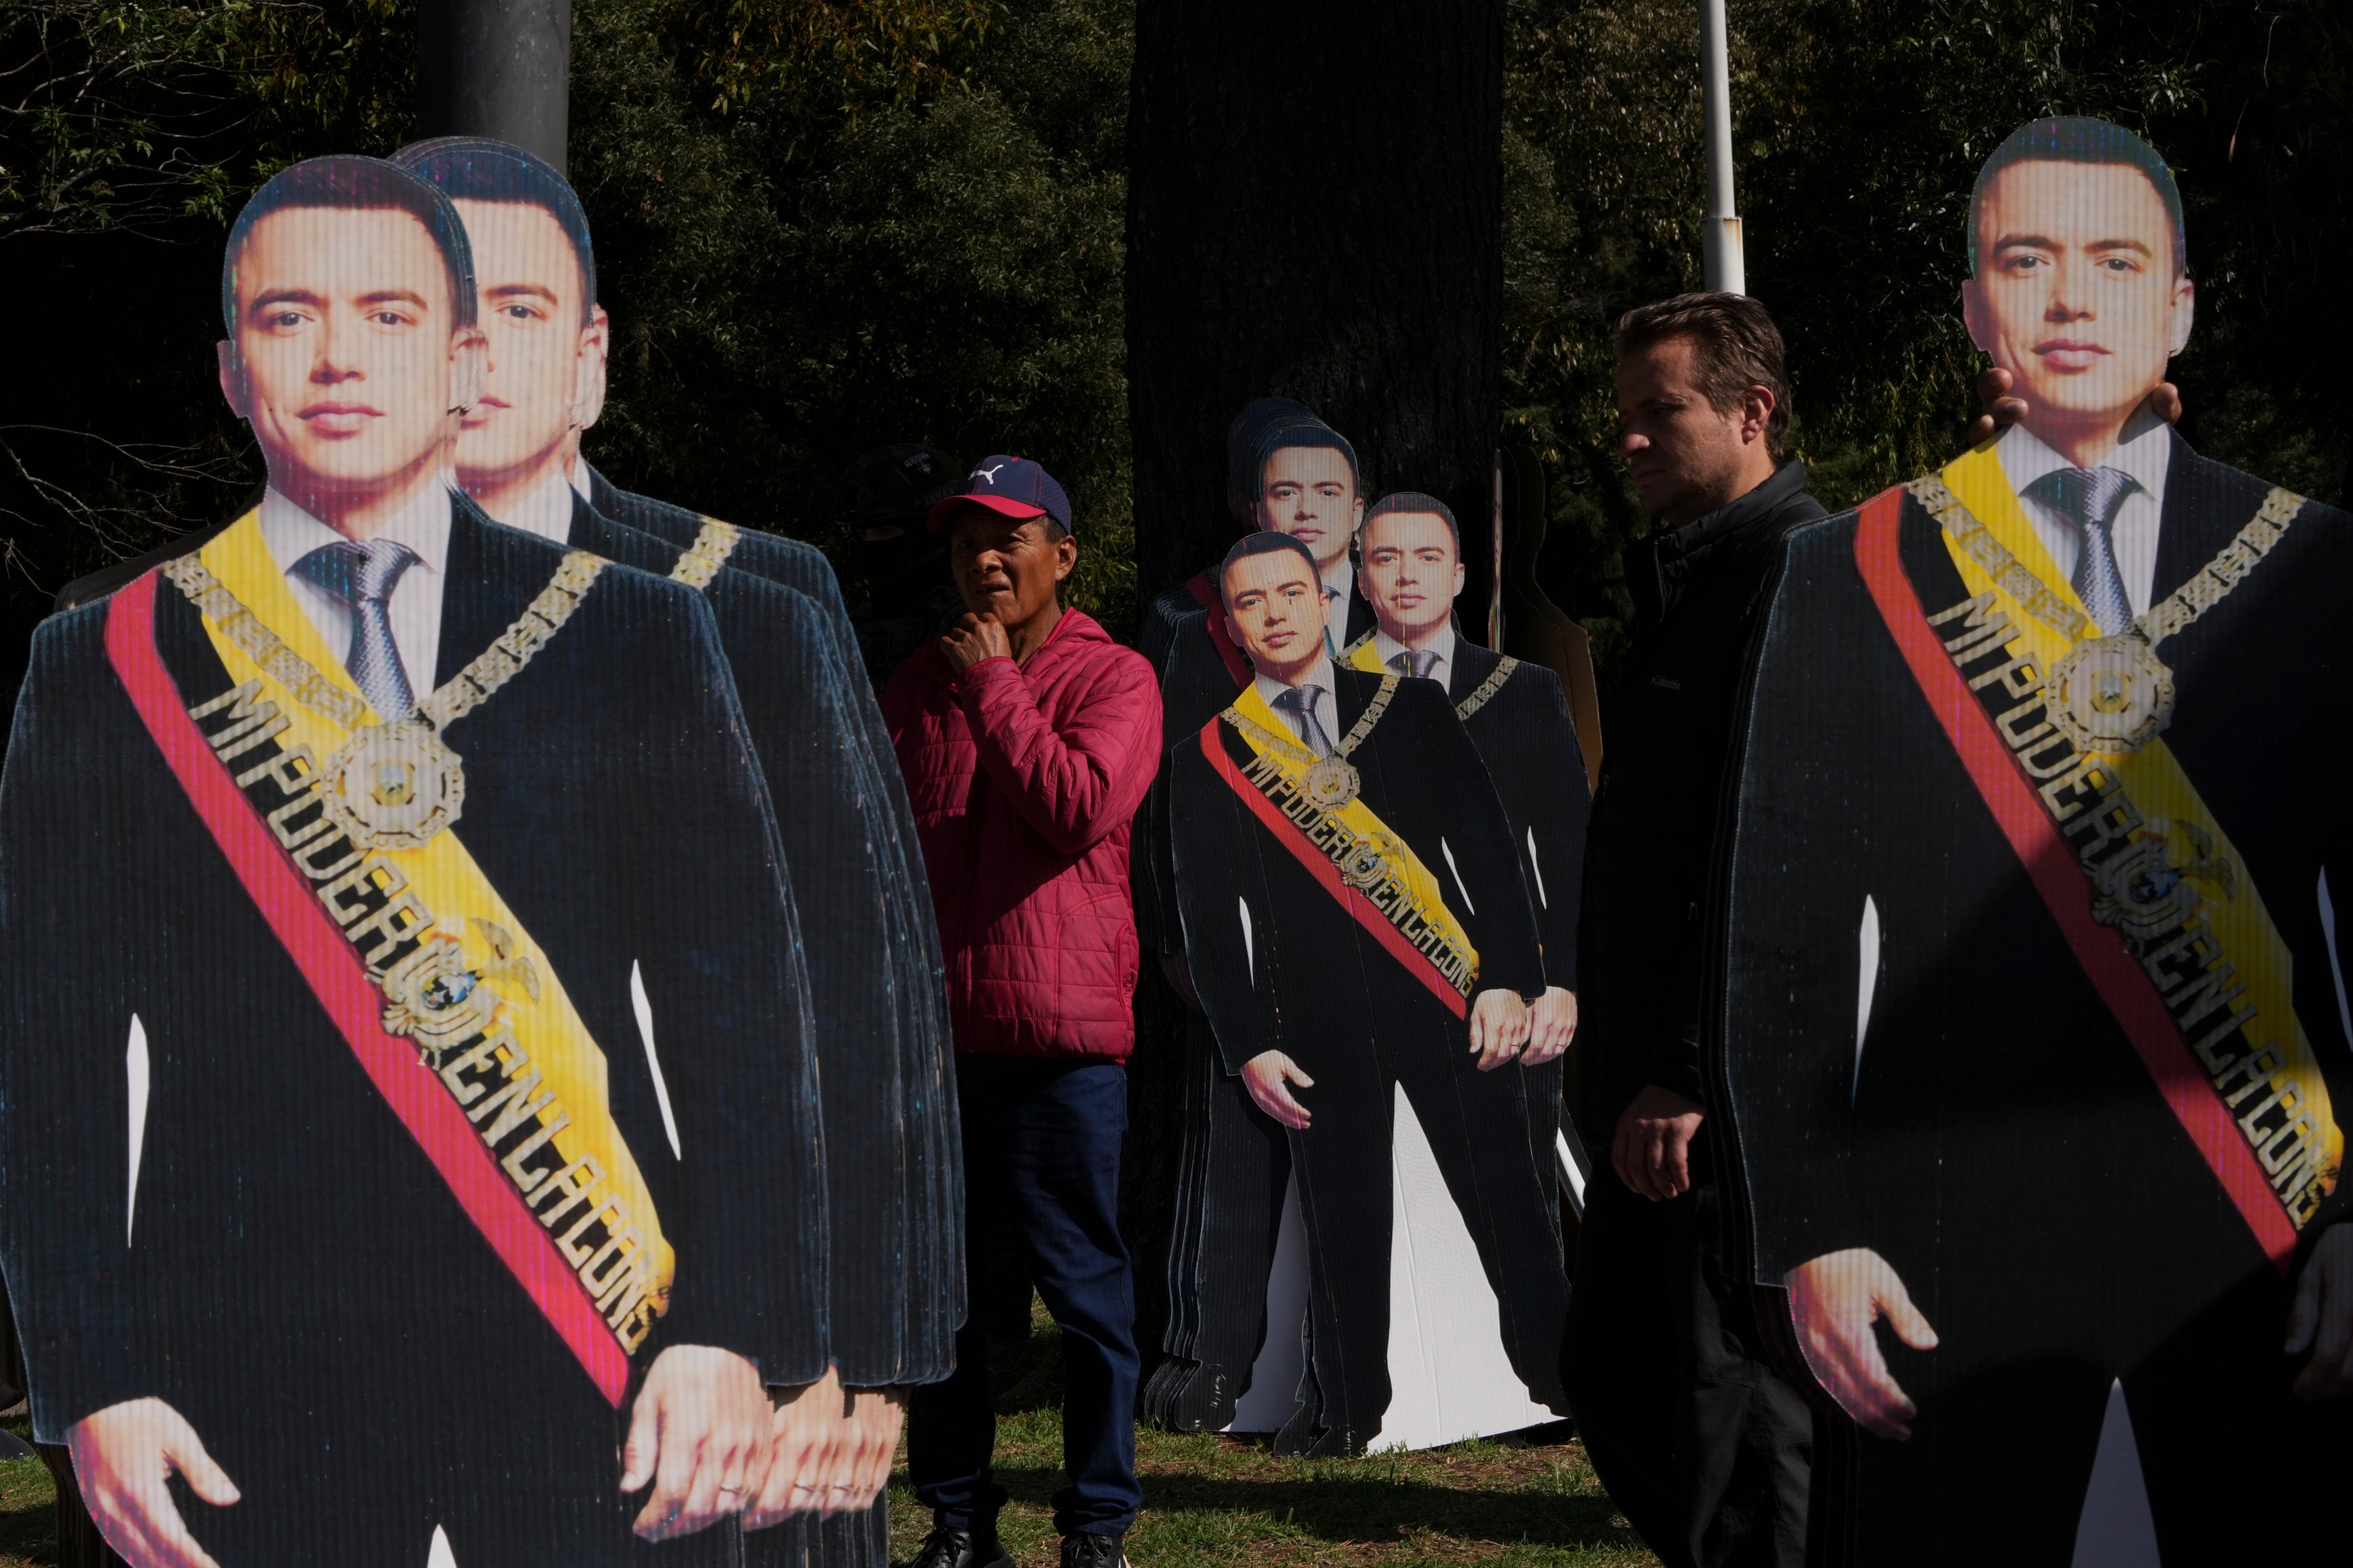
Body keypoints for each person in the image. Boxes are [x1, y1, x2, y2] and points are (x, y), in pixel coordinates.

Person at [0, 156, 822, 1568]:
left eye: (388, 315)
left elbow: (744, 1017)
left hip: (600, 1337)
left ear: (462, 362)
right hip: (233, 1366)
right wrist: (90, 1375)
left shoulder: (634, 632)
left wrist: (736, 1329)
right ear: (229, 368)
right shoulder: (108, 660)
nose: (337, 357)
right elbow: (48, 1056)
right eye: (287, 317)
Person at [1715, 116, 2353, 1563]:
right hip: (1941, 1231)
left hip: (2268, 1222)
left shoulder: (2318, 564)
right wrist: (1808, 1227)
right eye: (2025, 259)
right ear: (1971, 306)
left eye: (2115, 262)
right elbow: (1778, 938)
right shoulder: (1845, 572)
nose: (2071, 298)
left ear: (2177, 305)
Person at [388, 136, 923, 1557]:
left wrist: (863, 1346)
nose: (472, 349)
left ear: (592, 356)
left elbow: (865, 996)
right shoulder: (247, 624)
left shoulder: (750, 601)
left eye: (516, 306)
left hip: (697, 1315)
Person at [1167, 529, 1570, 1457]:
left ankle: (1563, 1381)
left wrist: (1509, 979)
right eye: (1249, 601)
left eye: (1290, 592)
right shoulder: (1212, 754)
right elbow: (1209, 919)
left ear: (1326, 601)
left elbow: (1489, 854)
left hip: (1446, 994)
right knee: (1341, 1221)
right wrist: (1248, 1041)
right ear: (1229, 627)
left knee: (1508, 1197)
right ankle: (1349, 1409)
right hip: (1311, 1020)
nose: (1274, 613)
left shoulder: (1413, 707)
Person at [1560, 291, 1825, 1568]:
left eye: (1658, 411)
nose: (1629, 439)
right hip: (1643, 1085)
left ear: (1750, 410)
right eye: (1624, 414)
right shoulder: (1689, 578)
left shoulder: (1798, 574)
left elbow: (1779, 854)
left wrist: (1685, 1066)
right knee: (1621, 1382)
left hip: (1724, 1106)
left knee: (1741, 1426)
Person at [884, 456, 1159, 1568]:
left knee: (1086, 1302)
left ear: (1063, 555)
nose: (983, 560)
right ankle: (957, 1521)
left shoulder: (1116, 678)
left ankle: (1095, 1526)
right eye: (964, 544)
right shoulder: (917, 684)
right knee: (946, 1307)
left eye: (1006, 538)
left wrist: (994, 683)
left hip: (1058, 1046)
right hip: (937, 1046)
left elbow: (1075, 806)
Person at [1133, 402, 1372, 1432]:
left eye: (1328, 490)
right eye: (1284, 489)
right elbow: (1155, 794)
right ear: (1243, 502)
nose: (1307, 509)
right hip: (1235, 920)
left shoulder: (1397, 607)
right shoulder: (1187, 624)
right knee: (1230, 1130)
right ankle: (1209, 1352)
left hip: (1379, 924)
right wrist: (1172, 932)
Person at [1342, 492, 1591, 1189]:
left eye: (1428, 557)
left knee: (1515, 1208)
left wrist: (1563, 981)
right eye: (1386, 558)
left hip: (1515, 998)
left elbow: (1569, 852)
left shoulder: (1525, 692)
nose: (1407, 575)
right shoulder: (1319, 697)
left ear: (1458, 575)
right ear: (1360, 578)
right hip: (1369, 995)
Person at [840, 444, 967, 691]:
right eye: (863, 533)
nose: (870, 544)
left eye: (884, 531)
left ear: (929, 534)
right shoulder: (858, 623)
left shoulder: (967, 623)